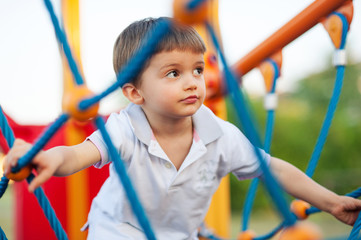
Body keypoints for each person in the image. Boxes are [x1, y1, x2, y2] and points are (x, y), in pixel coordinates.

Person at [4, 17, 361, 240]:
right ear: (133, 92)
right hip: (119, 232)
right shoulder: (126, 127)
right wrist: (45, 156)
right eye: (173, 73)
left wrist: (331, 203)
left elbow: (274, 168)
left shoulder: (220, 134)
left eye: (197, 70)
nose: (192, 82)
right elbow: (78, 153)